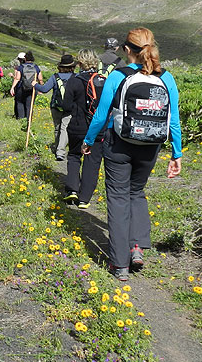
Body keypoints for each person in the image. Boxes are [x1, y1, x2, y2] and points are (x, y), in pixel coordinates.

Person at [82, 28, 182, 282]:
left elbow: (102, 114)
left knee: (117, 198)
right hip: (151, 146)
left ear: (127, 50)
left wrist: (88, 140)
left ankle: (119, 264)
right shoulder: (166, 77)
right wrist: (176, 153)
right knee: (136, 191)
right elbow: (174, 121)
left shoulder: (119, 75)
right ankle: (136, 248)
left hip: (119, 145)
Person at [61, 49, 106, 208]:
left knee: (74, 155)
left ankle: (72, 189)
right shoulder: (103, 80)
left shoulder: (74, 80)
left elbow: (66, 105)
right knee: (92, 161)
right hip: (97, 128)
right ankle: (84, 198)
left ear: (79, 63)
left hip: (77, 126)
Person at [35, 54, 76, 160]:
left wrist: (35, 84)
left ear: (60, 66)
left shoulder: (55, 77)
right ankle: (60, 152)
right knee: (65, 128)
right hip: (70, 107)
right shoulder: (76, 77)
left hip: (55, 106)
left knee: (57, 128)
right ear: (72, 66)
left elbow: (44, 89)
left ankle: (58, 148)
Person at [10, 51, 43, 121]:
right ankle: (29, 120)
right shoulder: (36, 67)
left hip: (21, 88)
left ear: (25, 58)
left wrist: (12, 87)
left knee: (20, 103)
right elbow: (40, 79)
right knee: (29, 105)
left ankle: (21, 120)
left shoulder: (21, 67)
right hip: (32, 88)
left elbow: (17, 78)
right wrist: (41, 88)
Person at [11, 52, 26, 118]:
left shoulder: (19, 68)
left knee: (19, 102)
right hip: (30, 87)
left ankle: (19, 117)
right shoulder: (32, 67)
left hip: (20, 87)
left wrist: (12, 87)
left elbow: (17, 78)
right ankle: (27, 117)